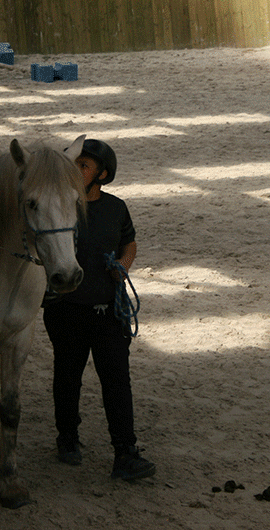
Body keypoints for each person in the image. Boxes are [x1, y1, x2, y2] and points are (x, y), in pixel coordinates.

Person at [42, 138, 156, 482]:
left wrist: (123, 263)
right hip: (67, 309)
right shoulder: (61, 206)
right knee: (67, 376)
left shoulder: (116, 208)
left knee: (118, 381)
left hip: (110, 310)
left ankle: (125, 452)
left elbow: (130, 241)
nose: (77, 170)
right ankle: (68, 437)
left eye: (84, 166)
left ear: (102, 175)